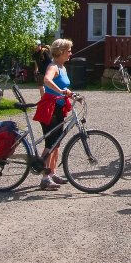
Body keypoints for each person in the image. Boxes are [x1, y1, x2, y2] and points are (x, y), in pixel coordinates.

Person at [37, 38, 76, 191]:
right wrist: (60, 91)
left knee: (57, 143)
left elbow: (63, 86)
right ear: (60, 52)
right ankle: (45, 178)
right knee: (50, 143)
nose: (70, 53)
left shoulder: (62, 67)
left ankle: (52, 173)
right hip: (49, 108)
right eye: (68, 51)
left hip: (59, 107)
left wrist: (72, 94)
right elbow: (47, 80)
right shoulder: (53, 66)